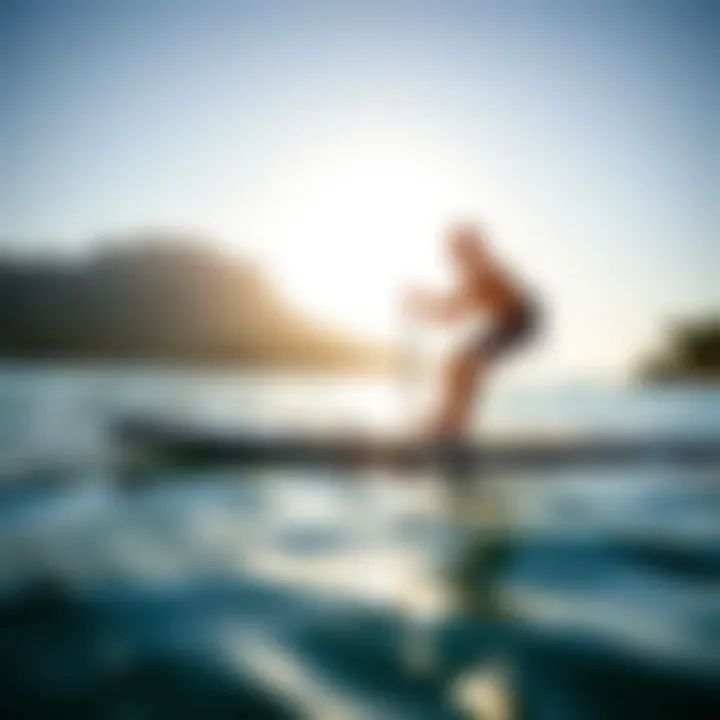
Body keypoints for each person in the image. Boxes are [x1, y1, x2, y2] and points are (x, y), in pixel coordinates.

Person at [404, 222, 539, 440]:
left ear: (470, 251)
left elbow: (450, 312)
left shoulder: (485, 272)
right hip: (505, 324)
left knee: (466, 362)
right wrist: (420, 305)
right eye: (453, 256)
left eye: (457, 255)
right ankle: (448, 421)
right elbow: (450, 311)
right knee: (457, 361)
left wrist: (420, 305)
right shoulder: (477, 274)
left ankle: (451, 426)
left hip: (522, 324)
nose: (454, 262)